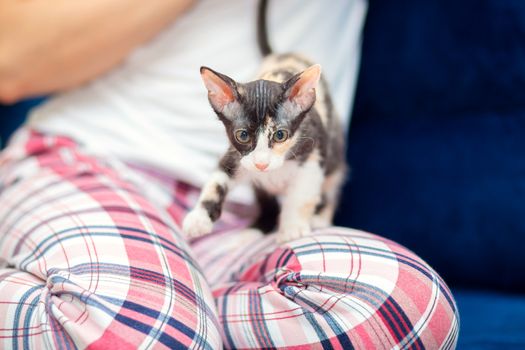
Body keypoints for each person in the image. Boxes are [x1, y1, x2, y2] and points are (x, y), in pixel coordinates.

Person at [0, 0, 459, 348]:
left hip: (239, 217)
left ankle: (168, 307)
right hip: (94, 160)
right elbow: (9, 60)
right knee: (142, 326)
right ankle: (145, 307)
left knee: (403, 304)